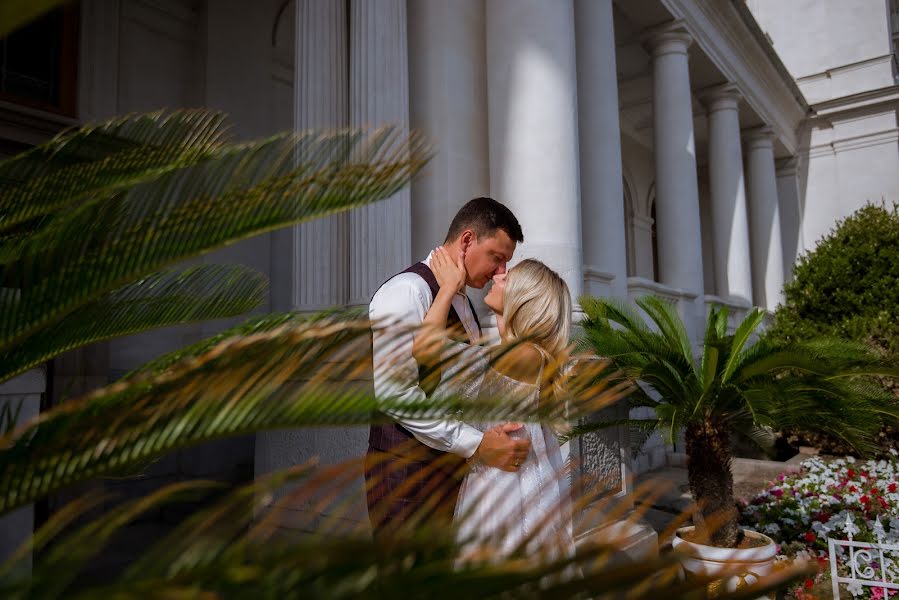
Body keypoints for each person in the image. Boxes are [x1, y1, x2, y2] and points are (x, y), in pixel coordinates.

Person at [365, 197, 529, 540]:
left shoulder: (464, 303)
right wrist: (476, 444)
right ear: (467, 240)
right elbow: (398, 397)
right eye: (497, 258)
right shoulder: (406, 293)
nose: (500, 272)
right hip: (405, 476)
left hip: (450, 471)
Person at [413, 249, 575, 562]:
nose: (499, 275)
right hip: (497, 484)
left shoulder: (525, 355)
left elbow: (425, 348)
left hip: (511, 498)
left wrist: (448, 287)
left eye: (509, 277)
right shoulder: (516, 353)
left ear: (523, 298)